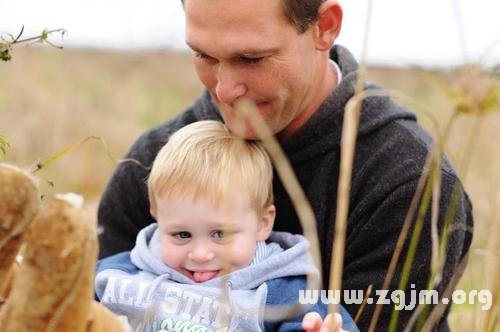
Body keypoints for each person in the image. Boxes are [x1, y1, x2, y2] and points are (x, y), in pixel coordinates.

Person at [97, 0, 474, 330]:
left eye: (251, 59)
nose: (225, 89)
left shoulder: (409, 185)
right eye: (204, 56)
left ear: (324, 28)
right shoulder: (151, 163)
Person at [95, 121, 358, 332]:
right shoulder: (120, 274)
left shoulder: (285, 295)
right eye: (182, 234)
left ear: (263, 224)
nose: (200, 254)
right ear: (157, 219)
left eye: (219, 234)